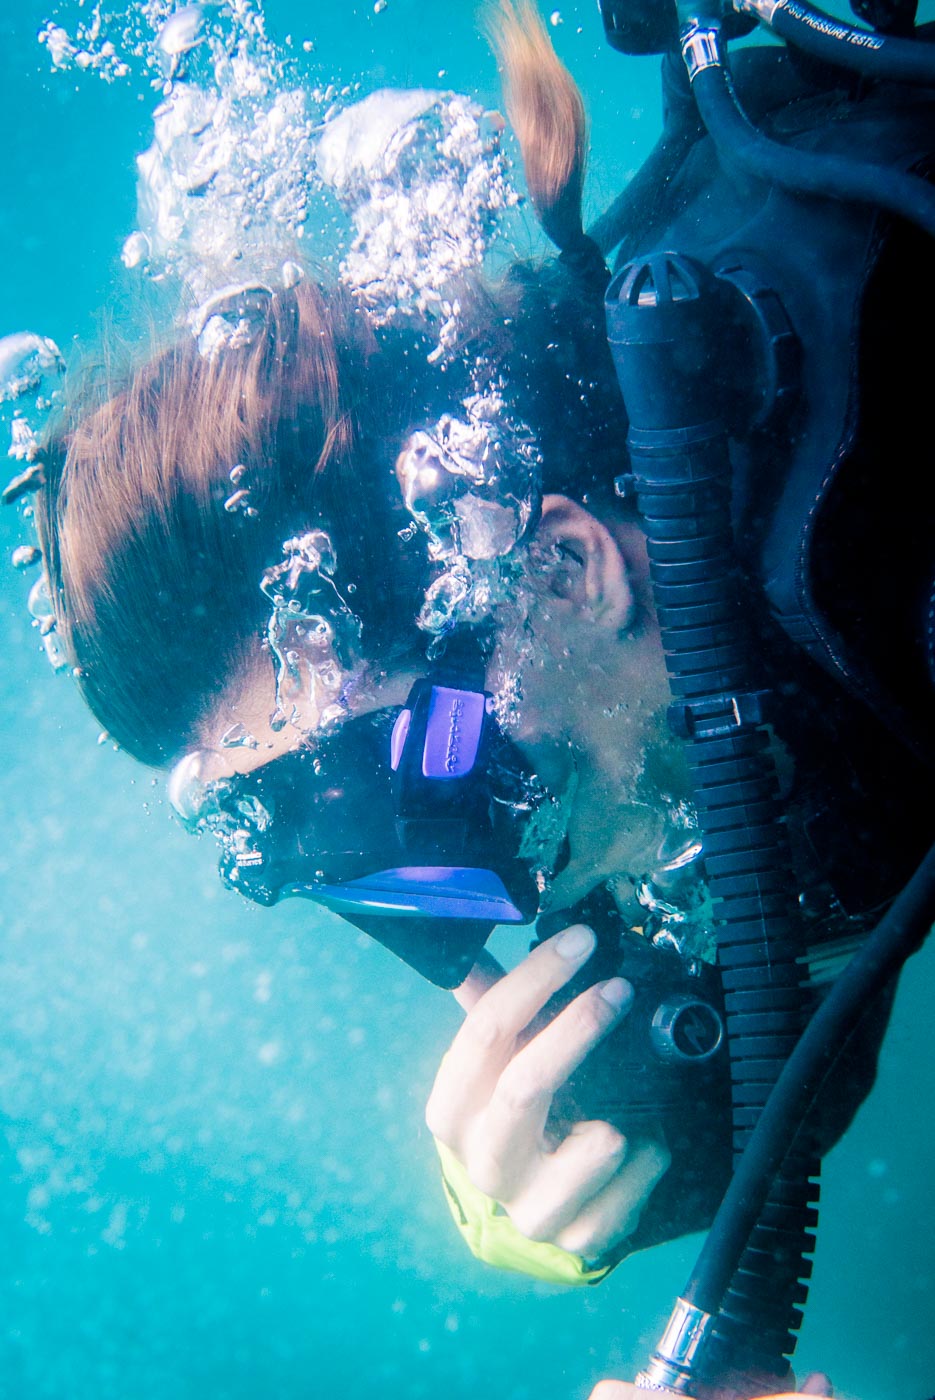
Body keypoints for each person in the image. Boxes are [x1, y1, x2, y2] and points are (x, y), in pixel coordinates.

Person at [17, 0, 935, 1393]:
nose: (458, 907)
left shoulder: (892, 528)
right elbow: (778, 1040)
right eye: (307, 856)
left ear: (562, 573)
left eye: (392, 799)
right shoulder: (555, 760)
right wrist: (538, 1199)